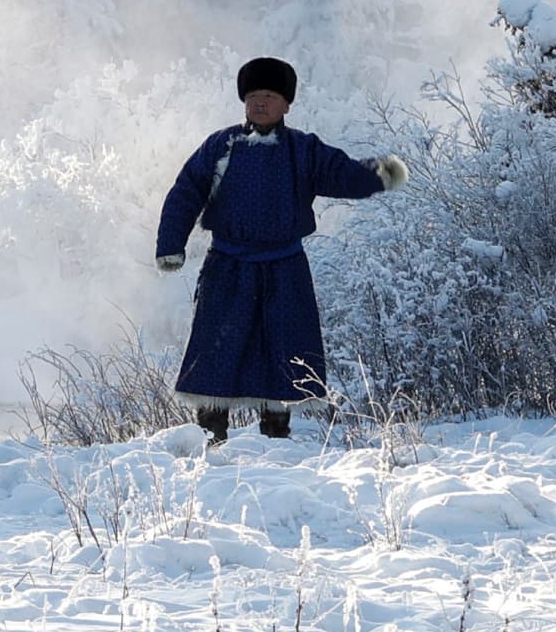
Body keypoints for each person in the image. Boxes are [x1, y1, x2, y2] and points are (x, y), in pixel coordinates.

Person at [154, 57, 408, 444]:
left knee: (283, 347)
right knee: (218, 346)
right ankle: (210, 432)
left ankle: (275, 434)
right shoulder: (220, 146)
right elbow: (186, 192)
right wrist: (171, 244)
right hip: (227, 267)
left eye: (269, 96)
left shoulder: (302, 150)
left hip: (284, 268)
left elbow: (342, 173)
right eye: (253, 95)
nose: (260, 103)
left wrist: (380, 174)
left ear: (286, 104)